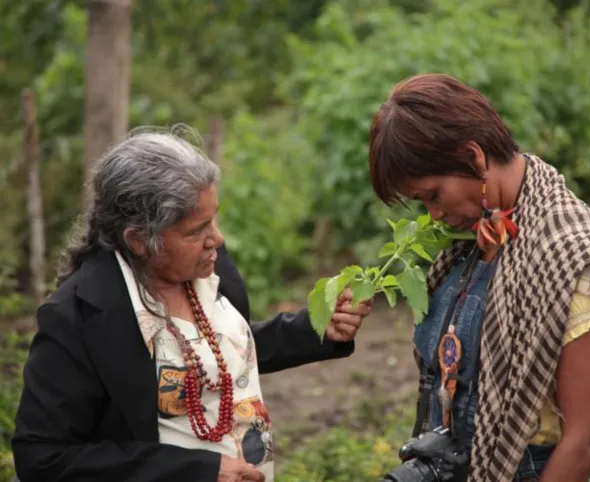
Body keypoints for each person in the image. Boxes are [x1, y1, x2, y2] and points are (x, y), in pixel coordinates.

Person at [12, 129, 372, 482]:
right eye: (195, 230)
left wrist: (313, 330)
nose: (217, 237)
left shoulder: (205, 267)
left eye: (213, 219)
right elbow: (43, 458)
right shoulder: (80, 316)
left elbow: (213, 358)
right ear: (140, 240)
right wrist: (196, 470)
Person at [368, 74, 590, 482]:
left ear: (474, 157)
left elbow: (587, 437)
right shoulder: (470, 241)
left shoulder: (569, 252)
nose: (433, 214)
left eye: (433, 195)